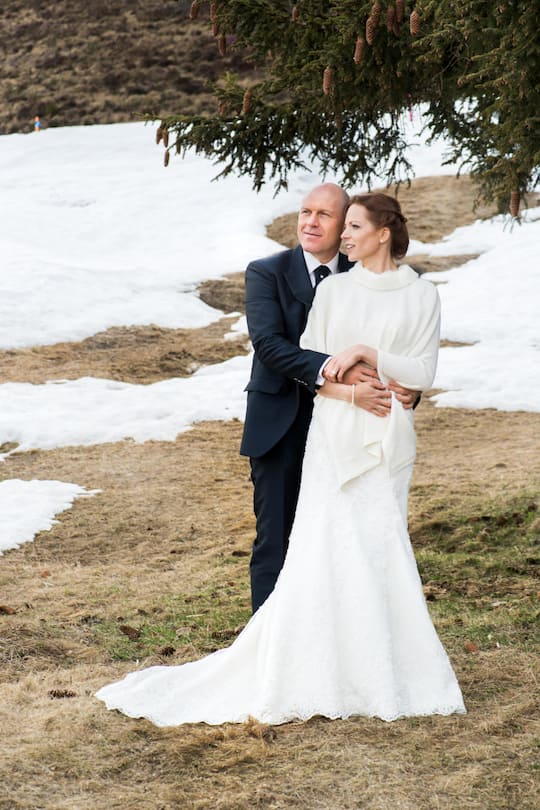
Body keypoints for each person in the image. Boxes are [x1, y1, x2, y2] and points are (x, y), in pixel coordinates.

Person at [96, 192, 466, 725]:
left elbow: (418, 363)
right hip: (303, 422)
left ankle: (374, 662)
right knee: (286, 540)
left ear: (372, 229)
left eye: (336, 219)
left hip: (377, 432)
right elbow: (274, 346)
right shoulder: (287, 277)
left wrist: (390, 378)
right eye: (308, 214)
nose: (322, 227)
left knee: (374, 544)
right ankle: (281, 656)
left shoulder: (408, 289)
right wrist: (348, 386)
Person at [240, 183, 416, 612]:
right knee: (276, 536)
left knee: (342, 537)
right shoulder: (267, 272)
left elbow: (395, 341)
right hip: (281, 422)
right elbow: (270, 346)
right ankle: (268, 646)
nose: (310, 222)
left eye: (324, 215)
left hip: (348, 429)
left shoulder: (368, 278)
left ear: (345, 226)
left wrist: (407, 385)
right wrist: (338, 374)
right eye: (305, 212)